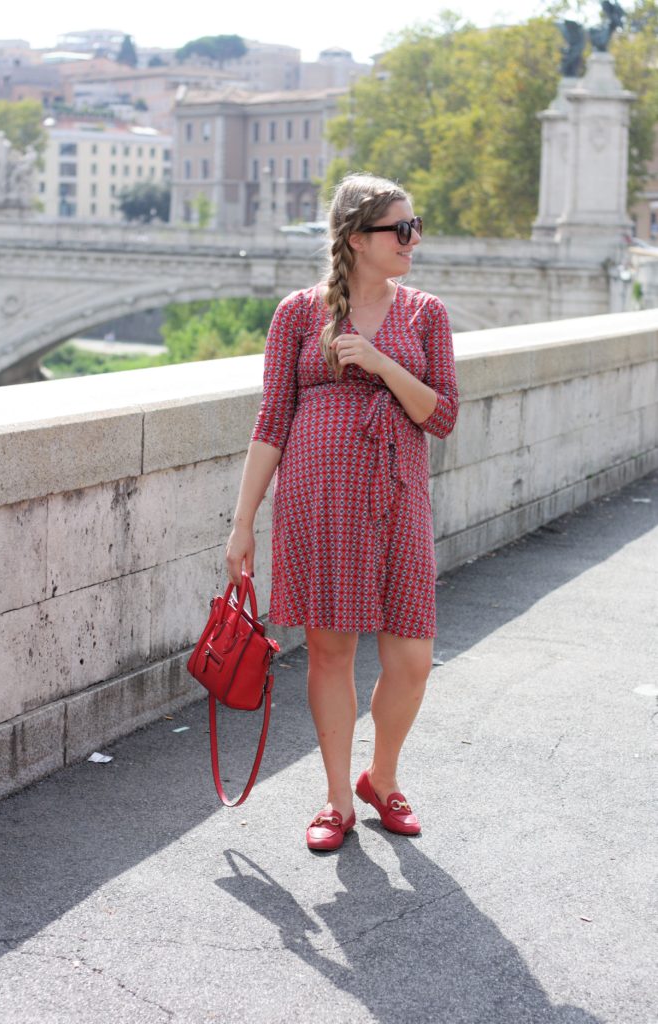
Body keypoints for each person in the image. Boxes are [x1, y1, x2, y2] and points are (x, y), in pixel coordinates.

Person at [226, 173, 459, 851]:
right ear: (358, 238)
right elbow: (271, 420)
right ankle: (335, 801)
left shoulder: (426, 314)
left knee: (411, 657)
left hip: (397, 498)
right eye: (402, 229)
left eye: (415, 227)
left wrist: (382, 363)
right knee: (331, 654)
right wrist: (242, 523)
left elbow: (440, 415)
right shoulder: (299, 314)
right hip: (316, 502)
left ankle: (380, 776)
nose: (414, 240)